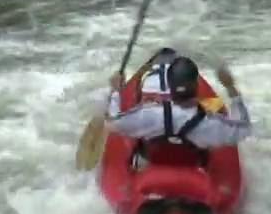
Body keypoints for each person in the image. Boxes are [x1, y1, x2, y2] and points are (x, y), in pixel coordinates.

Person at [104, 51, 253, 153]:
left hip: (156, 160)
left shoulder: (148, 114)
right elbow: (245, 128)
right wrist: (230, 87)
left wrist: (115, 91)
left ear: (170, 85)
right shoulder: (211, 123)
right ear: (197, 86)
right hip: (193, 162)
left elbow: (111, 122)